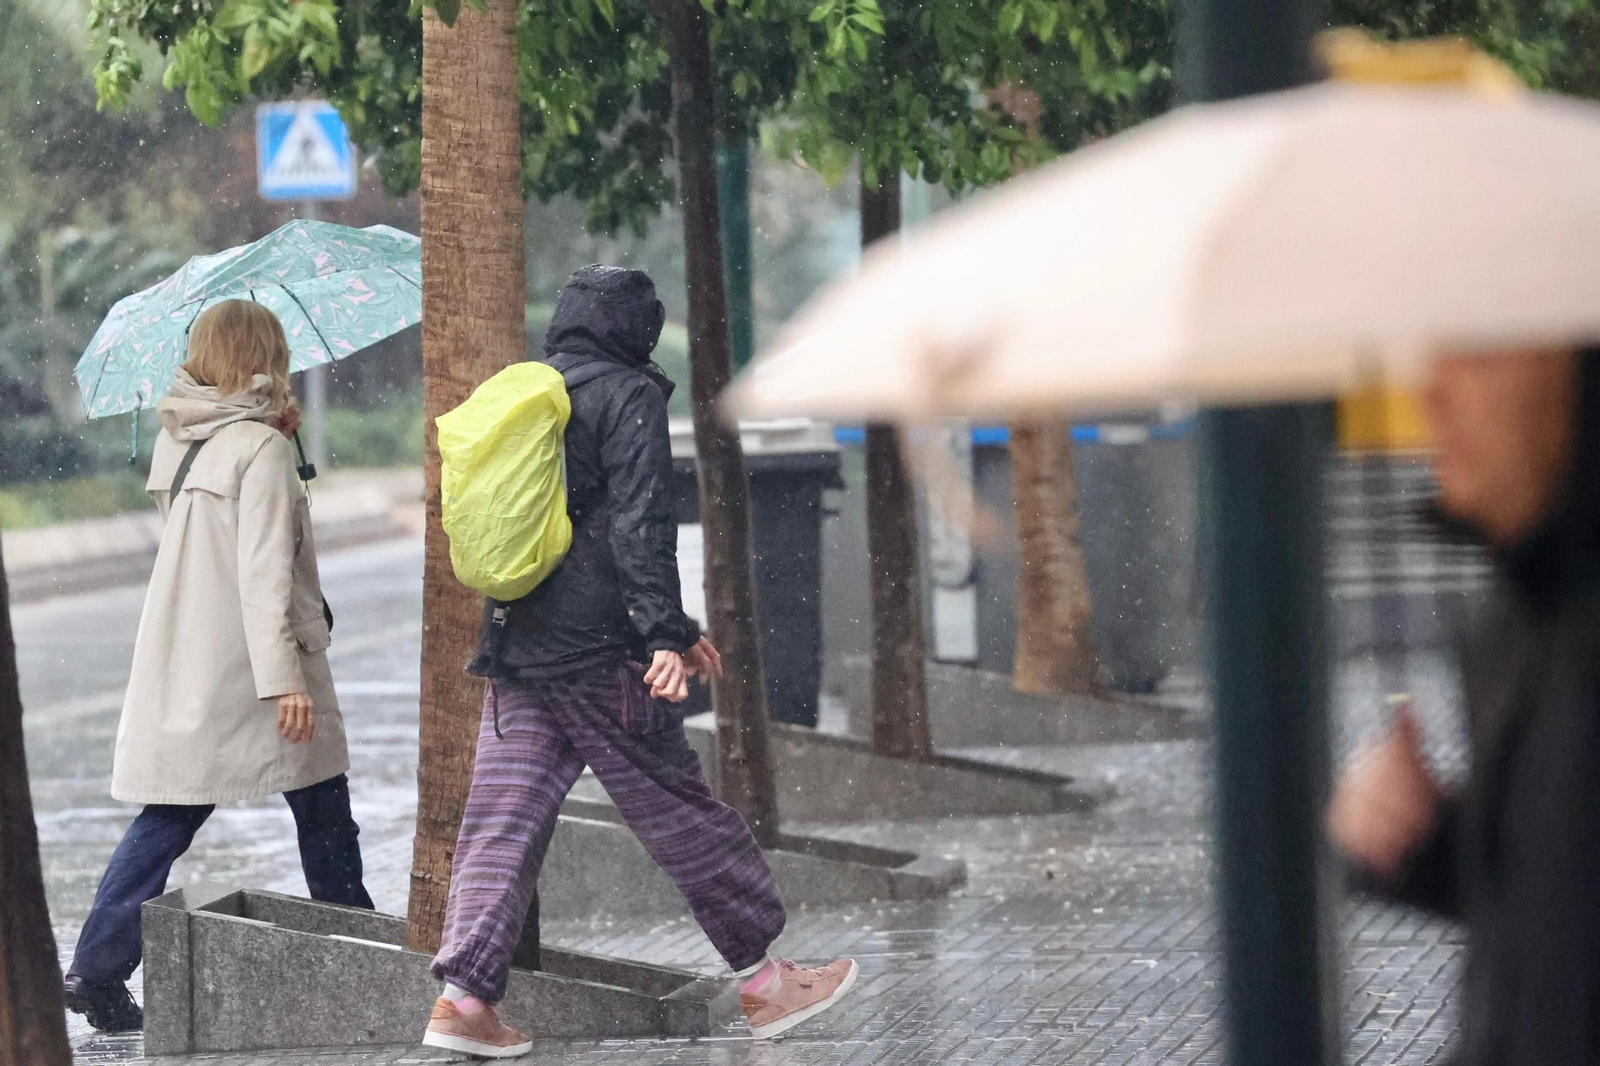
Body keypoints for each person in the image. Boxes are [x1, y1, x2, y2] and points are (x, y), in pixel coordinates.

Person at [422, 266, 856, 1058]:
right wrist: (660, 634)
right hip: (601, 653)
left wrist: (675, 626)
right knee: (679, 811)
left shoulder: (533, 390)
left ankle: (463, 1000)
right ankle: (766, 983)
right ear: (639, 328)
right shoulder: (629, 394)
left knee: (500, 828)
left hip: (517, 644)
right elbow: (638, 524)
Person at [63, 299, 374, 1033]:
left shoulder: (185, 439)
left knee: (170, 809)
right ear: (264, 353)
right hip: (256, 660)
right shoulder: (258, 451)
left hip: (195, 659)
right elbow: (265, 570)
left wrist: (278, 444)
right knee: (324, 805)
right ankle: (361, 952)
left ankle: (97, 969)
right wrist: (283, 680)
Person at [1328, 344, 1600, 1066]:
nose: (1432, 397)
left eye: (1481, 357)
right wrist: (1420, 841)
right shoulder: (1512, 626)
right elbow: (1549, 911)